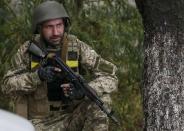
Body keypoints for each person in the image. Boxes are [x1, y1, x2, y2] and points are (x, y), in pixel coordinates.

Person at [2, 1, 118, 131]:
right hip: (38, 123)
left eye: (59, 25)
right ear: (39, 28)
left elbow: (110, 76)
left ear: (65, 25)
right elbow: (7, 85)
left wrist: (85, 90)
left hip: (71, 117)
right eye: (49, 27)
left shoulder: (77, 47)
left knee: (102, 101)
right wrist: (37, 76)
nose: (56, 32)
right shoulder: (27, 51)